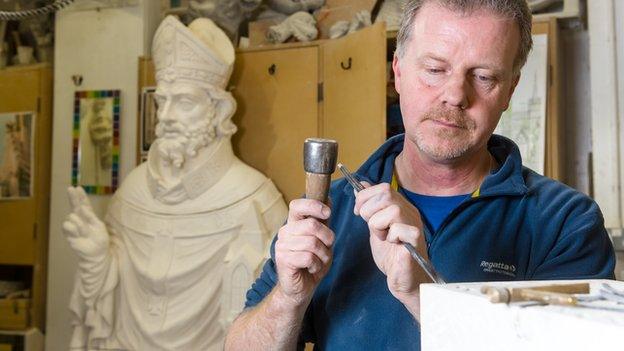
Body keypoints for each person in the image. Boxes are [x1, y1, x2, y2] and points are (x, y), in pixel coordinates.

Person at [225, 0, 616, 350]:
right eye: (434, 69)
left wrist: (420, 292)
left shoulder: (565, 222)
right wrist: (289, 299)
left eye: (483, 76)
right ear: (398, 71)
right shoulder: (333, 209)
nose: (454, 94)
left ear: (510, 89)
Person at [62, 16, 287, 351]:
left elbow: (280, 318)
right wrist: (98, 260)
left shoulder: (254, 201)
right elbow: (104, 313)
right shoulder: (132, 192)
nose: (164, 116)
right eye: (160, 100)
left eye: (183, 102)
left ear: (219, 110)